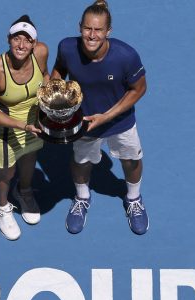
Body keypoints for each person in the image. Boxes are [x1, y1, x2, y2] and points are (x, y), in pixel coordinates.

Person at [51, 0, 149, 235]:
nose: (92, 35)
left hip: (120, 121)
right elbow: (58, 70)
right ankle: (82, 198)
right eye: (87, 28)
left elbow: (139, 89)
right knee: (81, 162)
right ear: (80, 27)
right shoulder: (66, 48)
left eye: (98, 30)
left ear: (108, 32)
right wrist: (54, 95)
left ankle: (134, 199)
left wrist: (106, 117)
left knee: (131, 160)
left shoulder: (126, 56)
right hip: (83, 122)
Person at [0, 15, 49, 240]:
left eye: (27, 40)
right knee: (6, 171)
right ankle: (2, 206)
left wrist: (52, 102)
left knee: (29, 158)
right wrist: (22, 125)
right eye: (16, 39)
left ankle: (24, 191)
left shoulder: (41, 53)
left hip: (33, 122)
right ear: (8, 39)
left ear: (34, 44)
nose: (21, 45)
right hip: (4, 129)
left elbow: (45, 75)